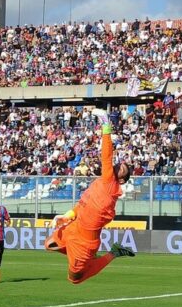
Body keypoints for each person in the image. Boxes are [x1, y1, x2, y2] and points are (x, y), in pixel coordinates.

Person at [44, 117, 136, 284]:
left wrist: (106, 127)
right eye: (120, 164)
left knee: (75, 279)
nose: (119, 165)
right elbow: (84, 203)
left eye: (123, 169)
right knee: (49, 244)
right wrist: (68, 214)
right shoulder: (101, 182)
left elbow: (106, 156)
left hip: (84, 241)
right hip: (74, 226)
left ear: (121, 180)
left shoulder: (111, 184)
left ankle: (114, 253)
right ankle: (87, 256)